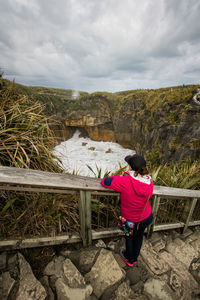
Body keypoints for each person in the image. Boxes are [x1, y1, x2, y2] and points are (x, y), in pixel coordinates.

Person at [101, 154, 153, 267]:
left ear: (130, 167)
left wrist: (121, 177)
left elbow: (104, 181)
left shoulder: (125, 181)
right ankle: (135, 257)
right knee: (139, 236)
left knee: (129, 237)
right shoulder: (149, 181)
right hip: (146, 217)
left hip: (131, 220)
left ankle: (130, 259)